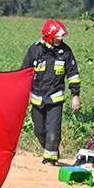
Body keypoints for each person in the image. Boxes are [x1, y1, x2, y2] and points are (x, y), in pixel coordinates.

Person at [20, 19, 81, 166]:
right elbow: (23, 73)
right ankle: (49, 150)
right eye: (57, 37)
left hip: (55, 99)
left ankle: (50, 160)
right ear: (48, 37)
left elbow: (73, 75)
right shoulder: (35, 50)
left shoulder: (66, 52)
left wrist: (75, 96)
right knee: (39, 131)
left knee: (53, 131)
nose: (59, 40)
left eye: (61, 37)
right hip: (37, 99)